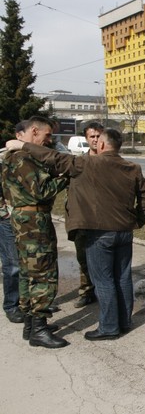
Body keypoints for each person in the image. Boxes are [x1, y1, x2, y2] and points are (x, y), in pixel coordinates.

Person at [7, 128, 145, 341]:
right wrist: (138, 219)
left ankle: (109, 327)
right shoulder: (132, 167)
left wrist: (23, 145)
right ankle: (124, 321)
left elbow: (53, 157)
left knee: (103, 280)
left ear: (102, 145)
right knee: (122, 277)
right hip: (124, 232)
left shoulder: (87, 164)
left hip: (99, 233)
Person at [1, 116, 69, 348]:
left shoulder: (14, 156)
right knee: (43, 273)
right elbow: (42, 191)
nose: (49, 140)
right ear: (34, 131)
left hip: (25, 219)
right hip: (33, 220)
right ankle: (38, 328)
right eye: (47, 135)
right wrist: (65, 178)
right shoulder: (24, 159)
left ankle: (30, 324)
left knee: (28, 273)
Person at [72, 122, 104, 308]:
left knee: (104, 259)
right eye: (92, 136)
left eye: (98, 136)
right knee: (83, 257)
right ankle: (86, 291)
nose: (95, 139)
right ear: (86, 139)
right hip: (83, 219)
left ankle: (104, 291)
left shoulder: (109, 160)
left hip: (104, 219)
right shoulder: (79, 163)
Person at [0, 120, 27, 324]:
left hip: (26, 219)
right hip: (7, 219)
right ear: (19, 135)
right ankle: (11, 305)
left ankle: (29, 302)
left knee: (29, 263)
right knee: (13, 265)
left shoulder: (30, 157)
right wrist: (4, 212)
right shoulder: (4, 157)